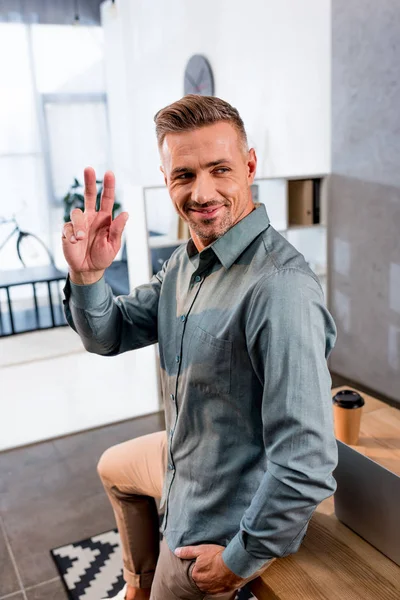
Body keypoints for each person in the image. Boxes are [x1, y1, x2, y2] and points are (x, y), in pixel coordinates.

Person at [62, 95, 338, 600]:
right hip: (185, 456)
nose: (202, 192)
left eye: (220, 169)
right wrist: (88, 277)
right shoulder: (186, 262)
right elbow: (108, 333)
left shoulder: (280, 289)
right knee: (113, 468)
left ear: (250, 166)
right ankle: (136, 583)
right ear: (166, 177)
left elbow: (306, 463)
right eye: (184, 175)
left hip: (213, 519)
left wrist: (238, 560)